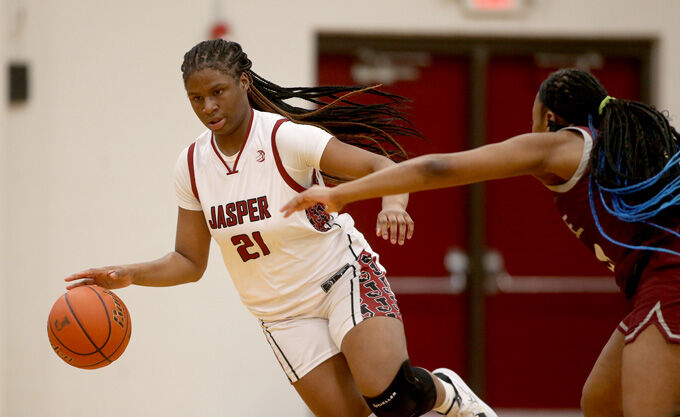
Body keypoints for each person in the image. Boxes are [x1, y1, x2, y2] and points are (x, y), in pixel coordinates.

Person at [64, 39, 497, 417]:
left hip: (340, 279)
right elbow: (190, 261)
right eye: (195, 98)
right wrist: (131, 275)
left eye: (217, 92)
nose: (208, 107)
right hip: (281, 315)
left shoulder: (284, 138)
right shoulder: (191, 165)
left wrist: (393, 203)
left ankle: (448, 393)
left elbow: (378, 165)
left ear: (244, 84)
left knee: (393, 399)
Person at [282, 68, 680, 417]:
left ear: (550, 118)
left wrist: (342, 195)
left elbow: (439, 168)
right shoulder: (615, 152)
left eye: (532, 120)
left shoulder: (560, 145)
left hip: (670, 285)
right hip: (650, 289)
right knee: (602, 401)